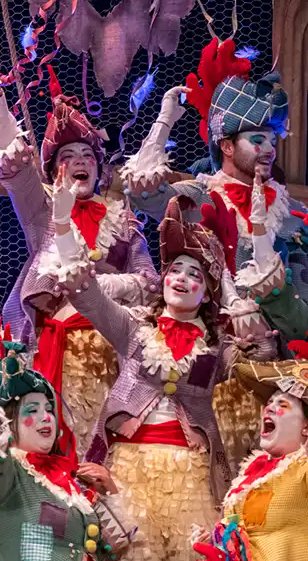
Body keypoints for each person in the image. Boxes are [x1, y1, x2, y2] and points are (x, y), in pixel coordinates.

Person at [52, 186, 278, 561]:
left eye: (195, 275)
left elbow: (263, 354)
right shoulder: (133, 328)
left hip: (191, 474)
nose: (182, 278)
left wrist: (239, 304)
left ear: (207, 293)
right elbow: (86, 295)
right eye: (176, 270)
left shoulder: (216, 348)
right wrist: (62, 225)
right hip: (129, 467)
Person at [122, 41, 308, 468]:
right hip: (212, 370)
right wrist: (164, 122)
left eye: (272, 139)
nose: (269, 148)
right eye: (257, 139)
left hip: (281, 373)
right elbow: (141, 191)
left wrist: (275, 302)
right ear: (226, 145)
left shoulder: (295, 214)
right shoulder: (199, 195)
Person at [0, 58, 159, 457]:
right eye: (68, 155)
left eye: (88, 155)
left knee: (109, 451)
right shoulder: (42, 212)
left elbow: (150, 282)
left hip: (112, 348)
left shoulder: (122, 218)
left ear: (100, 169)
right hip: (53, 350)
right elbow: (14, 166)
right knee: (53, 448)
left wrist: (104, 286)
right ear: (53, 170)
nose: (79, 161)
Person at [0, 341, 134, 561]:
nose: (46, 417)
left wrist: (109, 491)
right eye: (32, 410)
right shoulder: (2, 473)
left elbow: (116, 546)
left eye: (49, 409)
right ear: (8, 422)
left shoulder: (69, 483)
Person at [195, 358, 308, 561]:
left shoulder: (303, 469)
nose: (269, 408)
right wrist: (214, 543)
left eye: (282, 404)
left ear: (306, 426)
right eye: (269, 403)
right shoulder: (250, 473)